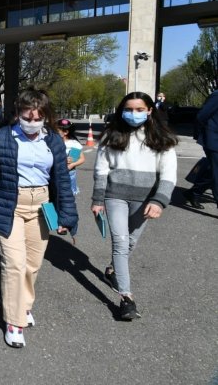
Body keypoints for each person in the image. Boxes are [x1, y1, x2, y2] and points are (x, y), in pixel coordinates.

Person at [0, 88, 78, 348]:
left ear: (45, 116)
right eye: (27, 116)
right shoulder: (2, 138)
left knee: (33, 264)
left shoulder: (53, 140)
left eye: (37, 117)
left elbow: (62, 181)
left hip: (42, 206)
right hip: (10, 205)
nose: (32, 122)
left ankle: (24, 305)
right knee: (15, 264)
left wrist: (67, 214)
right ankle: (14, 321)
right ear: (18, 113)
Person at [92, 92, 178, 321]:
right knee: (120, 242)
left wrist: (159, 200)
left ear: (150, 110)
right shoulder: (111, 135)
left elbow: (169, 174)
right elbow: (101, 169)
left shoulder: (163, 137)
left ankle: (111, 270)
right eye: (129, 109)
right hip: (115, 196)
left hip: (146, 199)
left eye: (140, 109)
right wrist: (98, 200)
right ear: (122, 110)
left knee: (130, 241)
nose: (134, 114)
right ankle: (127, 298)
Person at [184, 88, 218, 209]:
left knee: (212, 172)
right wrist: (201, 135)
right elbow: (201, 116)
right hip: (214, 141)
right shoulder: (216, 96)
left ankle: (194, 192)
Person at [57, 119, 85, 196]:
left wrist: (72, 164)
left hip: (69, 173)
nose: (54, 132)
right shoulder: (52, 142)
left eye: (57, 131)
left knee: (68, 195)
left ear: (65, 132)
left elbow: (82, 159)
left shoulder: (73, 144)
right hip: (55, 172)